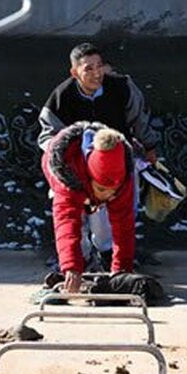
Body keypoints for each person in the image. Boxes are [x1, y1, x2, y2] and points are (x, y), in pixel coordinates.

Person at [38, 42, 161, 269]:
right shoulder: (60, 98)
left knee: (120, 210)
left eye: (99, 66)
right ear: (75, 72)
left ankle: (111, 253)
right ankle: (77, 257)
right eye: (89, 69)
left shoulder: (123, 87)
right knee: (71, 213)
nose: (97, 74)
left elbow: (139, 120)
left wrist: (149, 147)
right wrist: (65, 162)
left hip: (118, 160)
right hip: (77, 167)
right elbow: (48, 137)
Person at [41, 123, 135, 292]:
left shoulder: (124, 179)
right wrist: (71, 266)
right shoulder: (67, 175)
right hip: (70, 181)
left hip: (91, 185)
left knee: (104, 225)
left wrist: (122, 270)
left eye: (113, 190)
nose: (108, 195)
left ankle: (105, 256)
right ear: (89, 178)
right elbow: (66, 223)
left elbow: (124, 226)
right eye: (102, 189)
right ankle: (81, 261)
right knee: (77, 226)